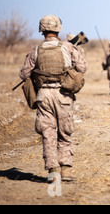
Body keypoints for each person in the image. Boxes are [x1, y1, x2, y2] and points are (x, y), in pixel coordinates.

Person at [19, 15, 87, 182]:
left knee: (48, 133)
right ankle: (65, 169)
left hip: (43, 96)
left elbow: (23, 74)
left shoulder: (36, 50)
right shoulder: (67, 47)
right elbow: (82, 67)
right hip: (63, 94)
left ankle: (53, 171)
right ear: (58, 29)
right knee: (65, 132)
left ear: (42, 30)